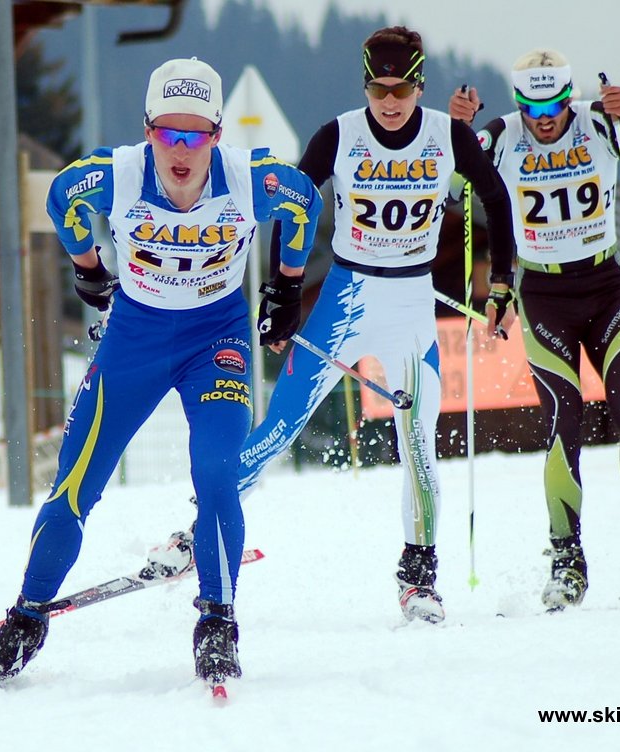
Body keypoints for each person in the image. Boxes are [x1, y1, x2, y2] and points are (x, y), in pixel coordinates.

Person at [0, 57, 322, 687]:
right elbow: (61, 196)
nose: (181, 151)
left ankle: (218, 622)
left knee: (217, 473)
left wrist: (287, 287)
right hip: (134, 339)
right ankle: (25, 618)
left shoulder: (248, 180)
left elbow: (305, 202)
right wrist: (87, 266)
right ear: (148, 130)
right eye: (167, 134)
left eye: (196, 135)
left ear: (217, 135)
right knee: (74, 485)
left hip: (216, 340)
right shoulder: (121, 174)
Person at [147, 27, 515, 624]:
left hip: (410, 307)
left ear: (419, 86)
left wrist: (501, 283)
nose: (389, 102)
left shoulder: (447, 136)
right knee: (279, 428)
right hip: (345, 299)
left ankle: (419, 578)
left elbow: (496, 200)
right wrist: (282, 293)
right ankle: (198, 532)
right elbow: (292, 203)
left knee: (419, 446)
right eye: (378, 89)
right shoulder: (339, 135)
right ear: (365, 86)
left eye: (401, 90)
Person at [449, 49, 620, 610]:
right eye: (532, 107)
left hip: (604, 286)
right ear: (518, 102)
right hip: (544, 294)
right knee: (563, 423)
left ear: (568, 96)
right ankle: (567, 557)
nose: (544, 118)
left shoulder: (598, 122)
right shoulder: (501, 134)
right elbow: (448, 186)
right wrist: (457, 131)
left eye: (554, 105)